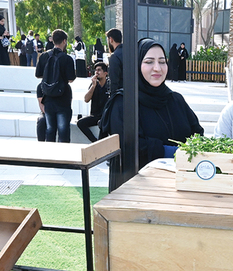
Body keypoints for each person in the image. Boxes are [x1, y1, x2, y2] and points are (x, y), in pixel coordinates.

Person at [101, 38, 203, 167]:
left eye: (162, 62)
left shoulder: (176, 100)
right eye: (149, 62)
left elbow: (197, 134)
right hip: (140, 178)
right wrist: (174, 153)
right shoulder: (124, 103)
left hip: (182, 176)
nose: (157, 68)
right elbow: (130, 145)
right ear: (137, 64)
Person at [35, 29, 76, 142]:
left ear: (53, 41)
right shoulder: (67, 59)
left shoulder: (44, 56)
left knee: (50, 129)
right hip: (63, 97)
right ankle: (63, 152)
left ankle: (51, 152)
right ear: (64, 41)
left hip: (48, 97)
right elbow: (71, 79)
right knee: (63, 130)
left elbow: (38, 75)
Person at [76, 61, 110, 142]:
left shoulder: (109, 85)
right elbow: (86, 99)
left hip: (106, 116)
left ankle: (100, 143)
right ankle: (95, 142)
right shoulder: (94, 85)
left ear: (105, 73)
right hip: (95, 115)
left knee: (103, 125)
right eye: (95, 70)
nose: (96, 72)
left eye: (99, 70)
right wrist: (93, 86)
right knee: (80, 123)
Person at [106, 28, 123, 96]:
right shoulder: (130, 52)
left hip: (120, 95)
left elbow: (114, 81)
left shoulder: (115, 56)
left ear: (111, 39)